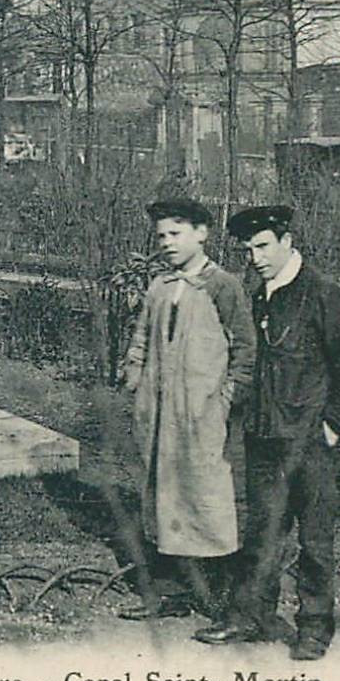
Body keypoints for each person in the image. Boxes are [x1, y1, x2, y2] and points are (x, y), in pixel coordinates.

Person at [195, 206, 340, 660]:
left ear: (287, 241)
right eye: (248, 249)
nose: (255, 257)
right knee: (262, 533)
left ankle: (314, 628)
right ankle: (250, 615)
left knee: (315, 538)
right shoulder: (260, 296)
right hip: (265, 435)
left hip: (310, 439)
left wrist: (336, 425)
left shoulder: (322, 294)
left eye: (263, 246)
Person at [119, 198, 256, 622]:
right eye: (161, 236)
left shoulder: (223, 285)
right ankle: (173, 590)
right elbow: (141, 339)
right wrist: (134, 377)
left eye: (175, 234)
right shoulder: (160, 286)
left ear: (202, 233)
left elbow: (246, 349)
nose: (167, 244)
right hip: (160, 414)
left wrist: (226, 398)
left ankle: (218, 593)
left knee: (207, 496)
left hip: (203, 415)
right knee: (165, 497)